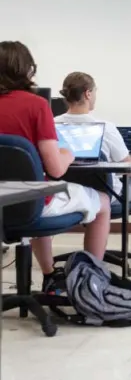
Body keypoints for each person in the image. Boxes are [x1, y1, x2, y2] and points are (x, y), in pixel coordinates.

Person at [0, 41, 111, 293]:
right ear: (27, 70)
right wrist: (67, 153)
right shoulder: (36, 105)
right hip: (31, 204)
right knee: (103, 202)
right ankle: (90, 279)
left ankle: (51, 273)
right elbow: (57, 169)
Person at [55, 72, 131, 265]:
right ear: (87, 94)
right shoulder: (104, 127)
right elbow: (127, 165)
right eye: (94, 92)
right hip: (105, 195)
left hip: (63, 195)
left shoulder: (50, 124)